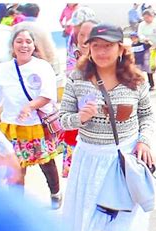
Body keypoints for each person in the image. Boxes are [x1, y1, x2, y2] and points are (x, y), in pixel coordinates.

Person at [60, 23, 155, 231]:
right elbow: (62, 119)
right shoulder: (76, 79)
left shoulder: (137, 79)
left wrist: (144, 140)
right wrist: (80, 118)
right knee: (92, 223)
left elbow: (147, 115)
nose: (102, 52)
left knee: (116, 228)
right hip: (89, 160)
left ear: (121, 49)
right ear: (89, 49)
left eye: (108, 46)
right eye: (96, 46)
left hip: (122, 163)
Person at [0, 29, 62, 209]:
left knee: (46, 163)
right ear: (12, 45)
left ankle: (55, 193)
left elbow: (48, 95)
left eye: (28, 41)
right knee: (15, 169)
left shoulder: (42, 67)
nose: (24, 45)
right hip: (11, 127)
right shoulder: (1, 71)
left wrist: (29, 106)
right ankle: (18, 206)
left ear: (34, 45)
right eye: (19, 41)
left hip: (36, 126)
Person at [60, 19, 98, 178]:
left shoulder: (113, 66)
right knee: (77, 180)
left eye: (90, 35)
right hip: (76, 131)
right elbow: (64, 113)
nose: (84, 39)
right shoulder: (72, 62)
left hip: (102, 136)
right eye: (81, 34)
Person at [138, 9, 156, 89]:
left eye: (148, 17)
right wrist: (144, 39)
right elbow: (140, 34)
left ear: (152, 16)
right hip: (147, 46)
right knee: (149, 64)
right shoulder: (142, 24)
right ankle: (151, 83)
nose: (146, 19)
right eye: (145, 18)